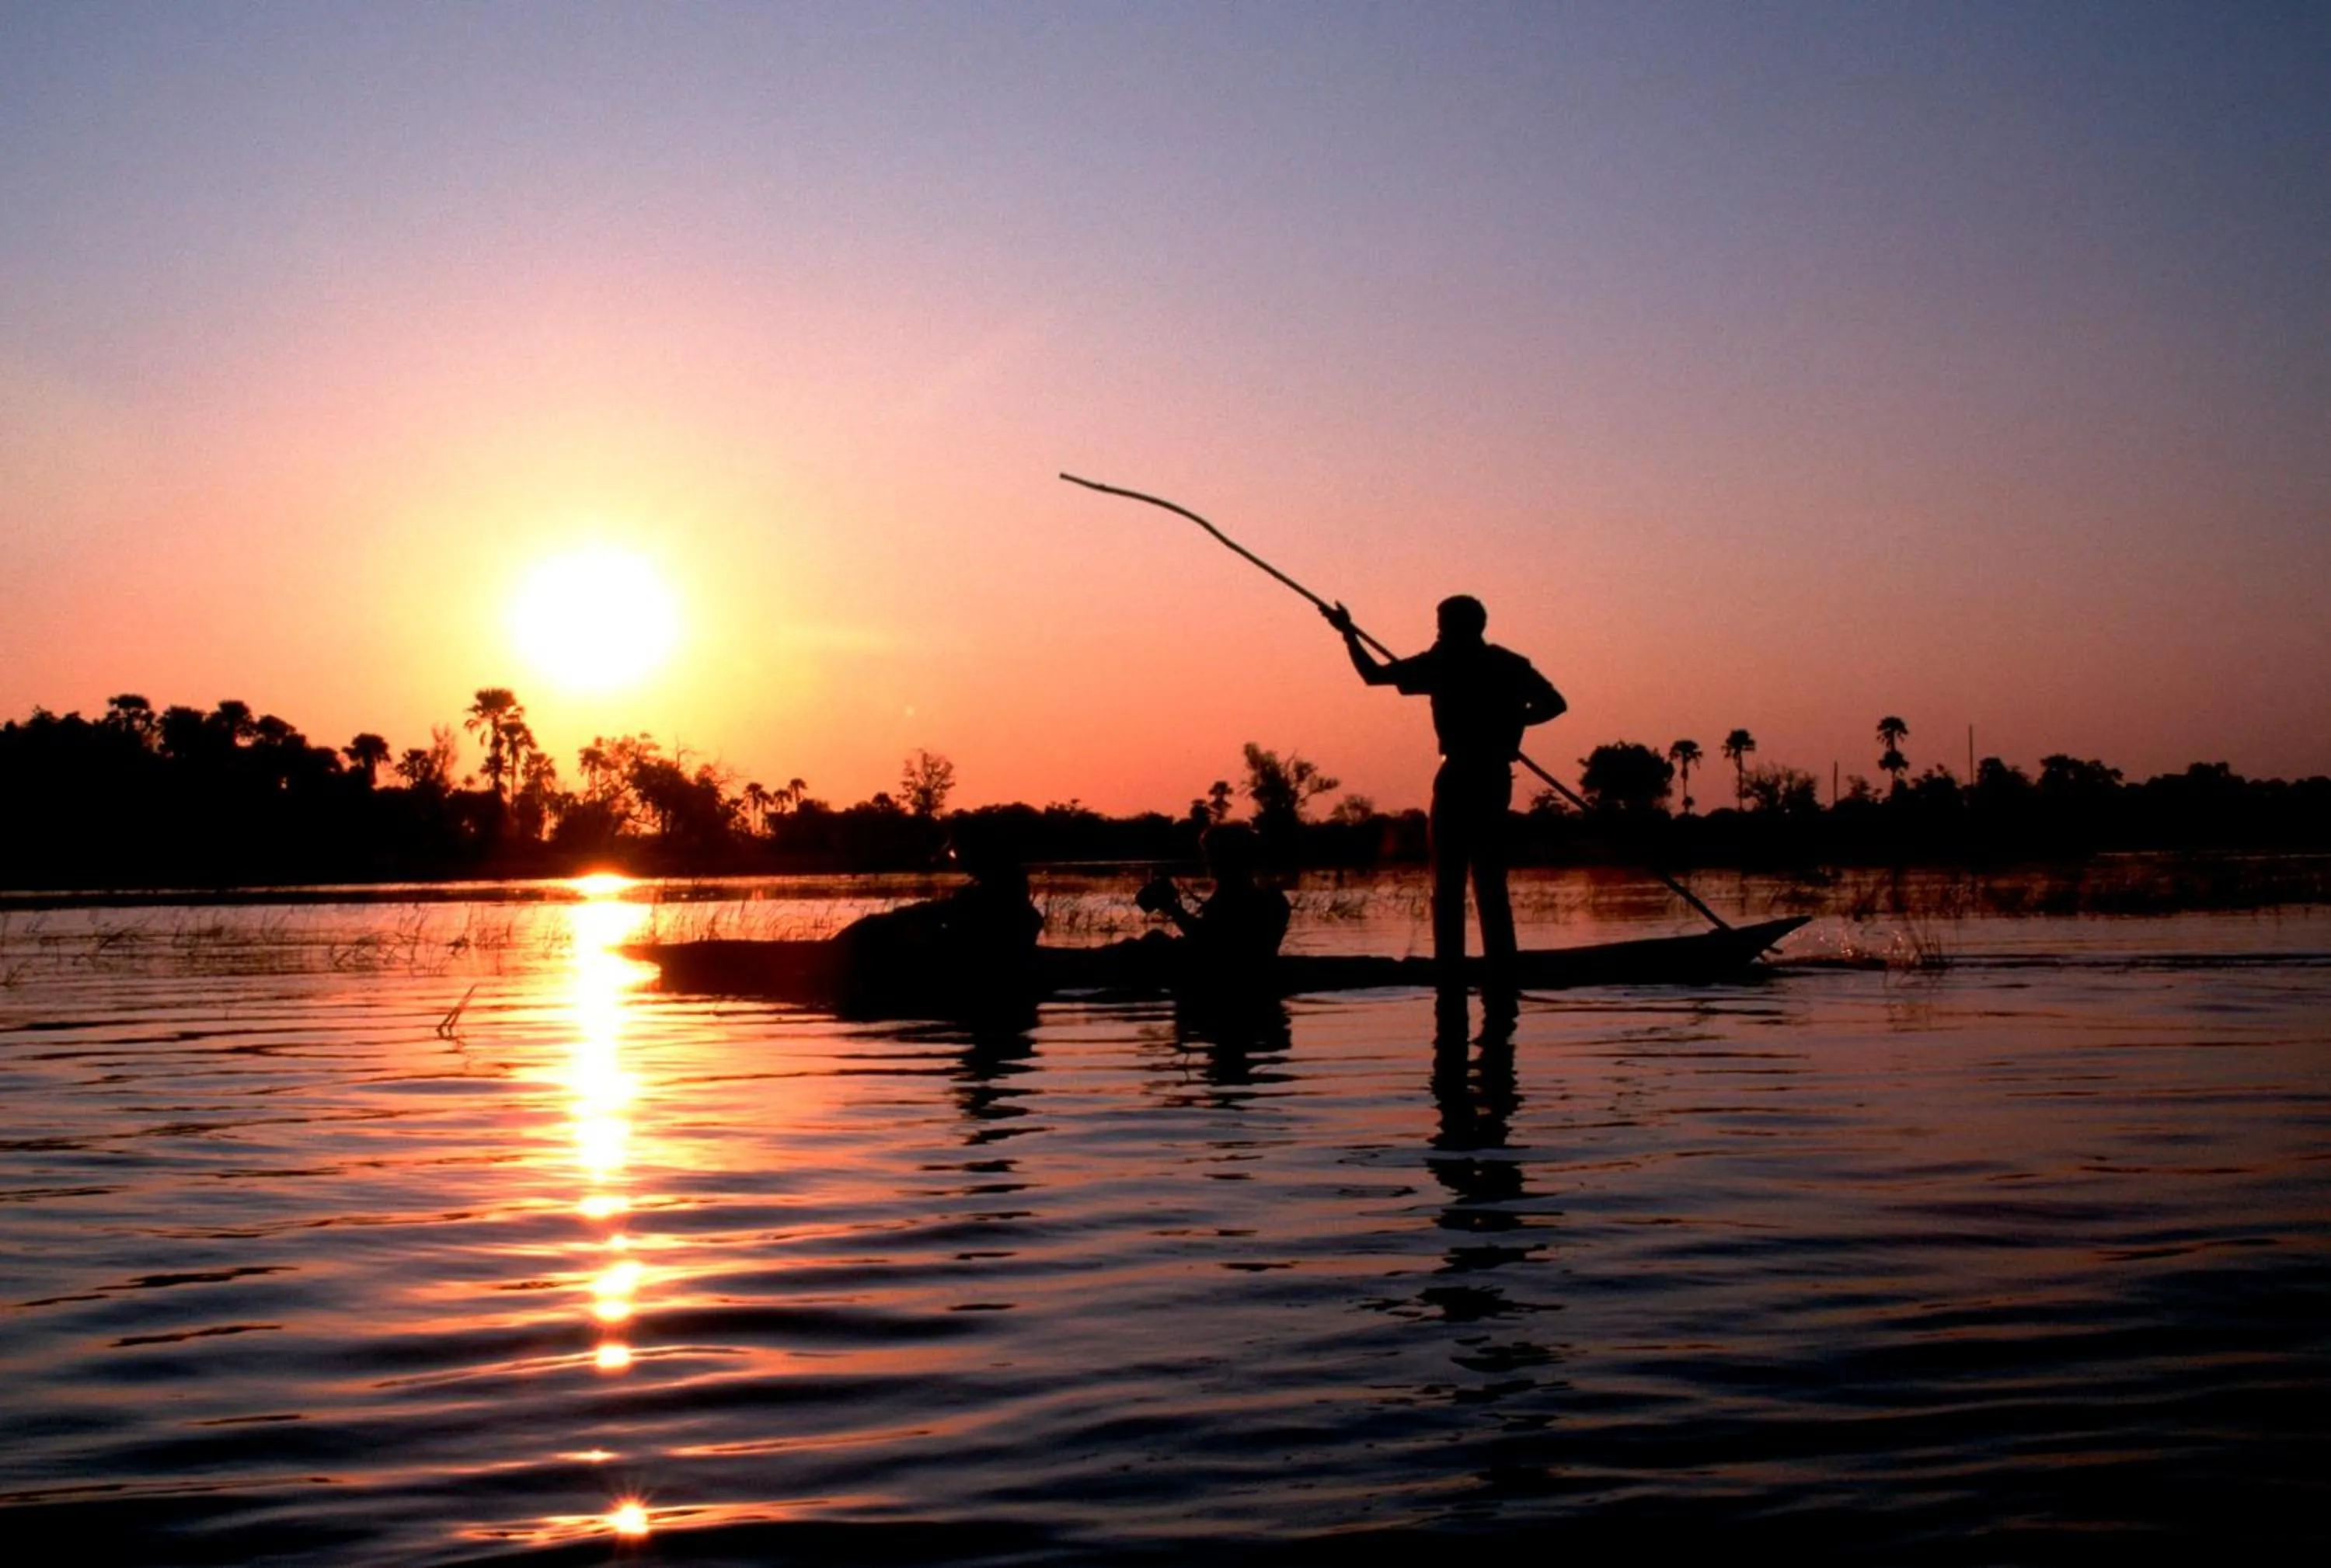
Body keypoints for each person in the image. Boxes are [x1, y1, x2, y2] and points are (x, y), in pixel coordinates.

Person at [1322, 594, 1564, 981]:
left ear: (1455, 626)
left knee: (1450, 876)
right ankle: (1500, 963)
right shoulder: (1507, 664)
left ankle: (1452, 967)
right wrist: (1511, 722)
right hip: (1494, 775)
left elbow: (1372, 675)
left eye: (1441, 623)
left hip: (1459, 776)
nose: (1437, 630)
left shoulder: (1444, 662)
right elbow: (1554, 705)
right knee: (1489, 874)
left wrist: (1348, 635)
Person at [833, 821, 1043, 1014]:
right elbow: (946, 910)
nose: (956, 861)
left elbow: (956, 915)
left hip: (982, 966)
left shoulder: (996, 889)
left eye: (956, 853)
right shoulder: (992, 884)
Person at [1132, 822, 1291, 992]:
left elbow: (1211, 943)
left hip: (1223, 973)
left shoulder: (1242, 897)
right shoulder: (1266, 896)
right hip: (1238, 968)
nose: (1206, 861)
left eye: (1210, 855)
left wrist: (1172, 908)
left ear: (1228, 858)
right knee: (1154, 939)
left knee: (1144, 947)